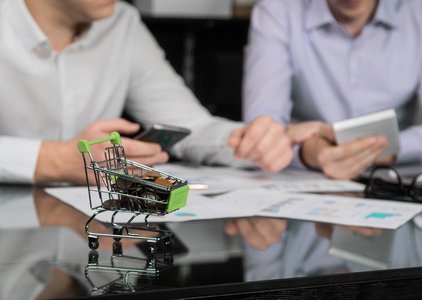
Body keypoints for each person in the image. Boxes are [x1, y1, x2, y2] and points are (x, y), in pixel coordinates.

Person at [0, 0, 294, 250]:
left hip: (92, 240)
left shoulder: (122, 23)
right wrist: (54, 161)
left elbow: (190, 125)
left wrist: (250, 140)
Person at [243, 0, 422, 180]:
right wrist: (310, 152)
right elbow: (261, 128)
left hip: (393, 179)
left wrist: (385, 149)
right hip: (306, 177)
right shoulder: (277, 11)